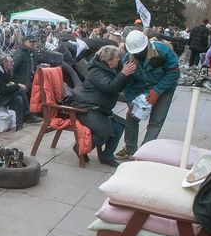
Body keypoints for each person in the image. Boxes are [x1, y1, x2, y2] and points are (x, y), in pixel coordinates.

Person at [115, 30, 180, 159]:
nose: (138, 54)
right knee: (132, 116)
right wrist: (130, 101)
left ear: (146, 45)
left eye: (140, 51)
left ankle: (145, 154)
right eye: (135, 52)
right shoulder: (128, 59)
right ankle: (129, 149)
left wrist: (157, 90)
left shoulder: (162, 51)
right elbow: (128, 83)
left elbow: (174, 72)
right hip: (141, 88)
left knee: (156, 121)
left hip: (164, 89)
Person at [73, 45, 136, 167]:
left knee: (119, 126)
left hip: (100, 109)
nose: (119, 60)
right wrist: (123, 73)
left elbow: (118, 85)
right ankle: (80, 147)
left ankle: (106, 156)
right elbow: (110, 87)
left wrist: (126, 75)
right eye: (116, 58)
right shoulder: (96, 71)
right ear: (108, 60)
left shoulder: (108, 69)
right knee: (104, 133)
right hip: (86, 108)